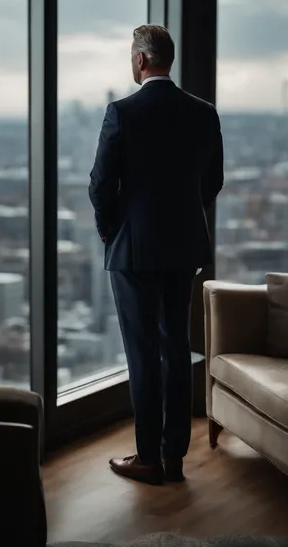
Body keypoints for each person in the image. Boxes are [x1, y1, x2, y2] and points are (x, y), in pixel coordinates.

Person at [88, 24, 224, 485]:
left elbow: (100, 184)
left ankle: (147, 458)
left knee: (142, 353)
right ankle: (173, 458)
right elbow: (213, 183)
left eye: (132, 55)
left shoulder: (122, 112)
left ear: (142, 61)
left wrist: (113, 233)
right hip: (183, 248)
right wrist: (183, 216)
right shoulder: (204, 113)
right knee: (175, 349)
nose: (131, 63)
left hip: (134, 252)